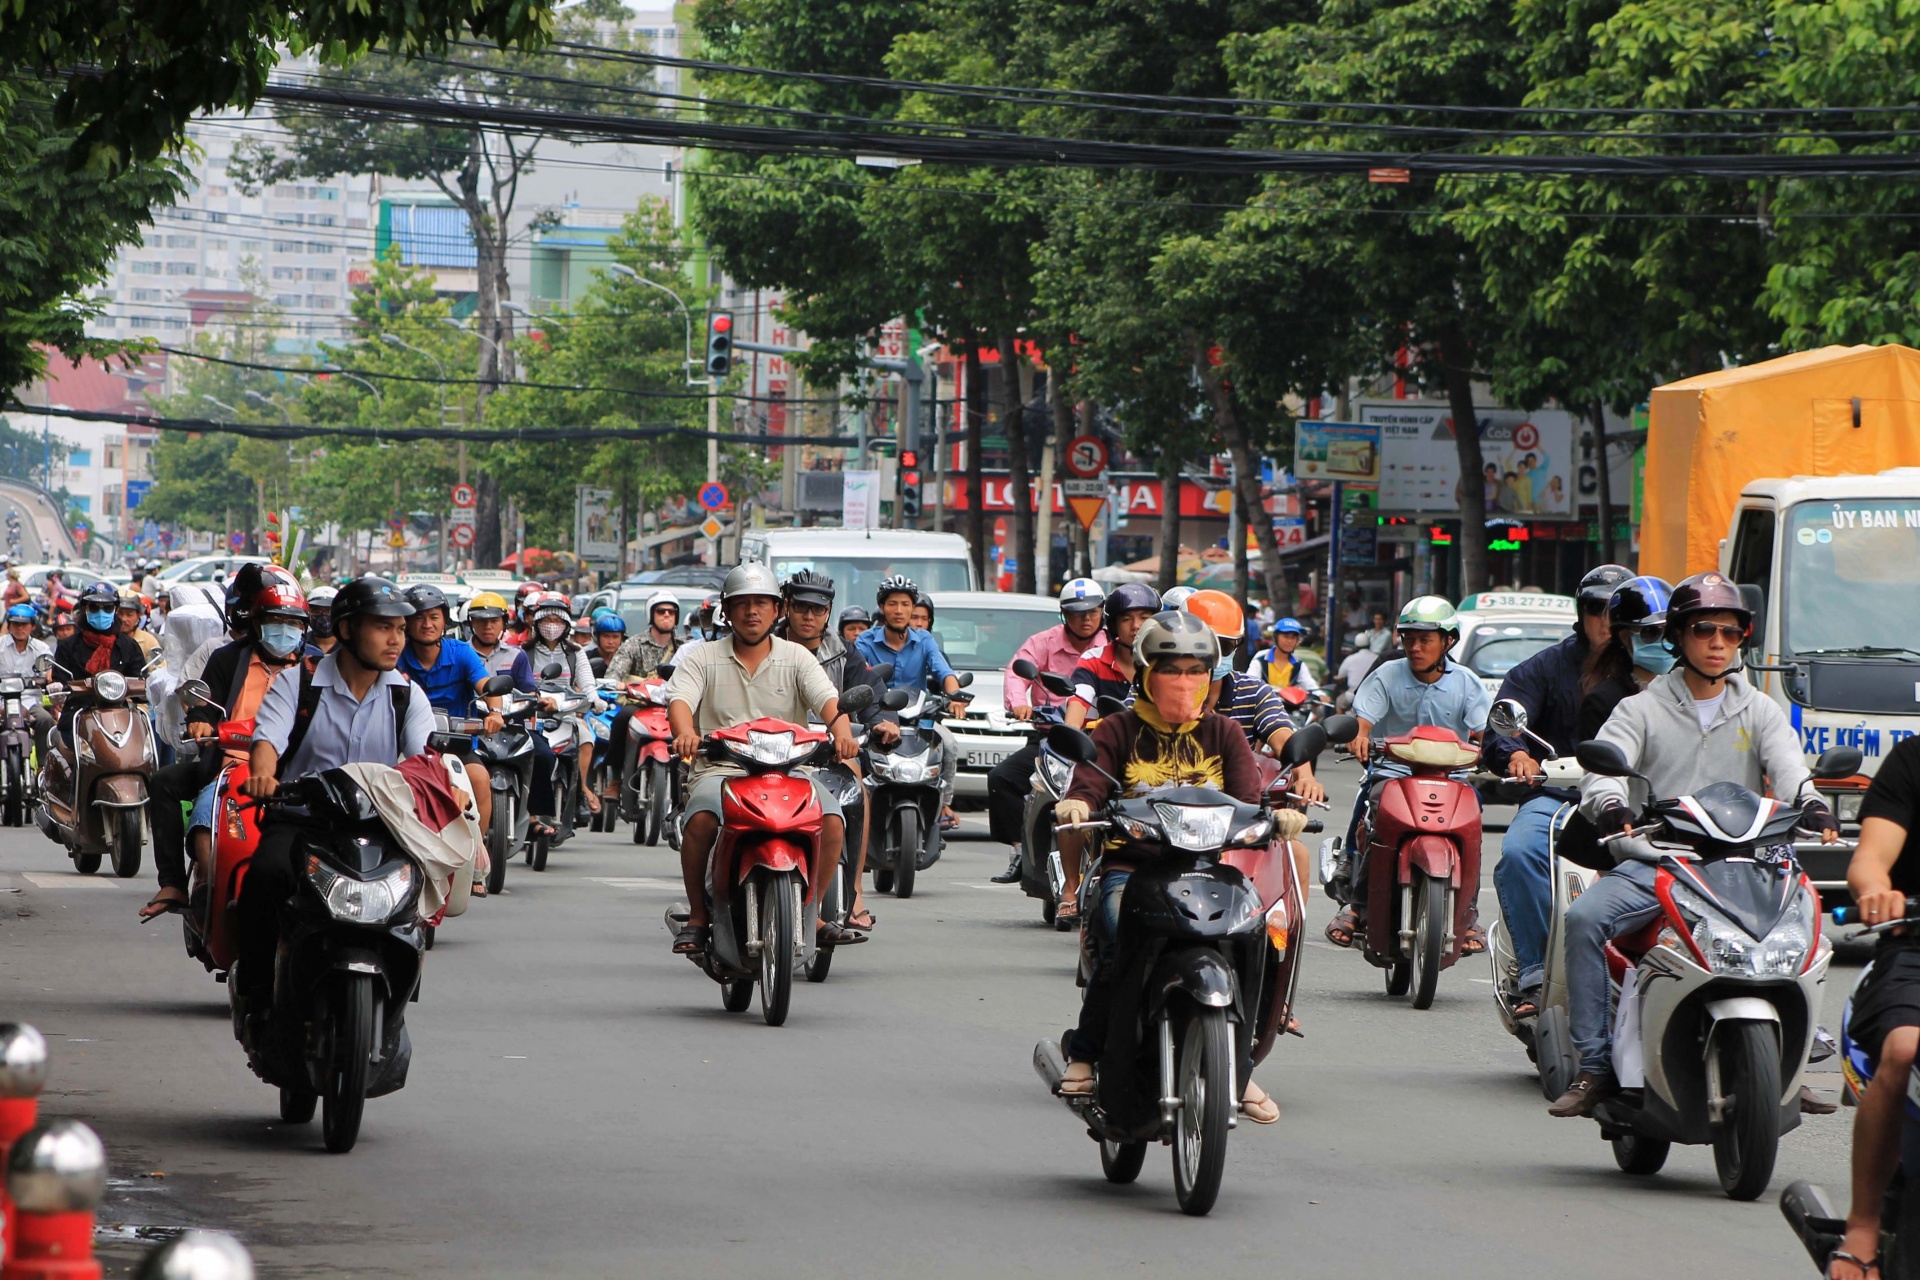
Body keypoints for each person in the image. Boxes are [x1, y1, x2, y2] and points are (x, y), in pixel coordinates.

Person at [1552, 571, 1839, 1118]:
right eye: (1705, 630)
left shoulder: (1759, 709)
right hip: (1662, 860)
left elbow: (1790, 769)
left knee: (1810, 929)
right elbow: (1602, 771)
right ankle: (1592, 1067)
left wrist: (1813, 803)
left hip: (1747, 863)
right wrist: (1611, 806)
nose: (1717, 643)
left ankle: (1789, 1062)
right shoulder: (1641, 709)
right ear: (1679, 636)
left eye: (1730, 634)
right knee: (1585, 918)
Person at [1051, 610, 1293, 1124]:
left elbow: (1251, 801)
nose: (1184, 682)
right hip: (1133, 871)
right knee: (1118, 939)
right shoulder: (1118, 728)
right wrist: (1078, 804)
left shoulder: (1226, 732)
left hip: (1212, 872)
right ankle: (1086, 1051)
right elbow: (1089, 785)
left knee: (1259, 942)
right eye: (1171, 669)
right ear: (1143, 673)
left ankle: (1239, 1068)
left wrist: (1280, 817)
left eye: (1194, 670)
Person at [234, 579, 437, 1016]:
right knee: (265, 876)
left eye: (401, 628)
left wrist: (444, 781)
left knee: (412, 894)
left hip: (379, 821)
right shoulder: (297, 682)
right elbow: (267, 739)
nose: (396, 639)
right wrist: (264, 776)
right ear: (346, 630)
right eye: (383, 627)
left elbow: (425, 758)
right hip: (301, 814)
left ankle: (399, 990)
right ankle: (254, 991)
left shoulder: (407, 694)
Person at [663, 563, 858, 956]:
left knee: (833, 819)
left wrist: (842, 734)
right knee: (700, 819)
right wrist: (685, 732)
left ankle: (813, 913)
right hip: (722, 770)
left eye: (761, 604)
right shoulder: (703, 657)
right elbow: (680, 699)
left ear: (776, 610)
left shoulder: (798, 658)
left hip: (791, 769)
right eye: (742, 604)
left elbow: (827, 700)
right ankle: (699, 916)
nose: (752, 612)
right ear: (727, 611)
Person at [1481, 564, 1632, 1018]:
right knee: (1520, 853)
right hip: (1560, 795)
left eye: (1615, 610)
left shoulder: (1653, 672)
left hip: (1636, 802)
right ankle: (1534, 972)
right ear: (1580, 613)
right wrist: (1516, 754)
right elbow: (1503, 721)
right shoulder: (1546, 667)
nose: (1604, 619)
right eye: (1594, 609)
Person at [1326, 596, 1491, 951]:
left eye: (1425, 639)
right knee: (1376, 818)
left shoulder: (1467, 683)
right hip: (1393, 774)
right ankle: (1356, 906)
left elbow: (1484, 733)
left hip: (1453, 780)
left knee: (1473, 824)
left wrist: (1500, 751)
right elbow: (1363, 723)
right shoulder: (1386, 675)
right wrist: (1360, 737)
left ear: (1448, 641)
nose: (1415, 647)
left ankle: (1470, 912)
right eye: (1409, 638)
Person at [141, 577, 310, 921]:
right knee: (170, 787)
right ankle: (180, 884)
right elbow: (204, 704)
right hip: (229, 767)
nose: (284, 630)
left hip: (296, 773)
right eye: (276, 621)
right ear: (257, 623)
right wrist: (200, 721)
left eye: (293, 623)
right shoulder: (227, 658)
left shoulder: (315, 667)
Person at [1828, 734, 1920, 1280]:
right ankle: (1862, 1224)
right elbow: (1871, 858)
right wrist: (1875, 891)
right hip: (1914, 948)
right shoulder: (1912, 760)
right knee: (1905, 1046)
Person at [776, 568, 899, 936]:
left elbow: (869, 691)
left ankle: (855, 891)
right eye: (800, 608)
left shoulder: (843, 652)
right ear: (786, 607)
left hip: (825, 749)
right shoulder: (764, 643)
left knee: (857, 785)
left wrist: (880, 722)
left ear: (829, 612)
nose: (809, 616)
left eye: (818, 609)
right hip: (766, 750)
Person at [985, 578, 1107, 883]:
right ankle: (1018, 851)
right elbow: (1018, 672)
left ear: (1103, 612)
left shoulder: (1111, 647)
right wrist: (1018, 704)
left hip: (1101, 739)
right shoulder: (1043, 642)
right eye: (1077, 612)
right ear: (1064, 615)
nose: (1086, 618)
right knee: (1002, 779)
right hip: (1051, 739)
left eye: (1093, 611)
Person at [1053, 583, 1161, 921]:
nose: (1137, 625)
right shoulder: (1094, 660)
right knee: (1073, 809)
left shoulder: (1167, 661)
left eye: (1145, 617)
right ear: (1112, 625)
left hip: (1156, 758)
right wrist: (1072, 739)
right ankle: (1071, 887)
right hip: (1102, 758)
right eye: (1127, 618)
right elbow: (1079, 700)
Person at [523, 594, 599, 827]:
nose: (552, 625)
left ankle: (580, 792)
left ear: (567, 624)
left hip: (565, 712)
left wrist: (594, 699)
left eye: (558, 619)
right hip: (530, 714)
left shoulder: (576, 653)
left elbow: (587, 684)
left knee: (585, 738)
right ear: (537, 623)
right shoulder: (523, 652)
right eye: (547, 620)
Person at [1576, 575, 1674, 743]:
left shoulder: (1691, 692)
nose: (1663, 641)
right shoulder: (1604, 702)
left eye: (1670, 631)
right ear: (1625, 637)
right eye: (1651, 632)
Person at [605, 591, 681, 681]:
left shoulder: (684, 647)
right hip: (638, 694)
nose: (667, 615)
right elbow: (613, 674)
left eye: (672, 612)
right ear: (651, 614)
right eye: (661, 611)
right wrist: (617, 684)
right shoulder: (634, 644)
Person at [464, 592, 533, 686]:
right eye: (482, 620)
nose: (488, 626)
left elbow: (529, 692)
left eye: (494, 621)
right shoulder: (459, 654)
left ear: (504, 623)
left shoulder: (516, 655)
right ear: (472, 622)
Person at [1251, 617, 1319, 692]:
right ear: (1275, 637)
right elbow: (1250, 685)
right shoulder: (1260, 661)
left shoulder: (1298, 665)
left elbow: (1311, 686)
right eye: (1286, 637)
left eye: (1293, 637)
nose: (1290, 641)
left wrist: (1320, 695)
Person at [0, 603, 49, 678]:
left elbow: (45, 675)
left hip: (31, 689)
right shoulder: (1, 644)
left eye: (24, 624)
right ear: (9, 626)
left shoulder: (41, 649)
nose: (20, 628)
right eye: (16, 624)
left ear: (33, 626)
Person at [116, 590, 161, 661]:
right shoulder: (104, 639)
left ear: (138, 616)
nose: (124, 619)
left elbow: (157, 668)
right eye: (119, 614)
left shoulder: (148, 641)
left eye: (129, 614)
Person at [587, 612, 626, 678]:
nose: (610, 642)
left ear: (621, 638)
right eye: (606, 636)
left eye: (615, 637)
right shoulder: (585, 657)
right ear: (597, 637)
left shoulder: (627, 658)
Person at [305, 586, 338, 656]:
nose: (323, 615)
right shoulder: (299, 644)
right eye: (317, 610)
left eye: (329, 611)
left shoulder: (350, 646)